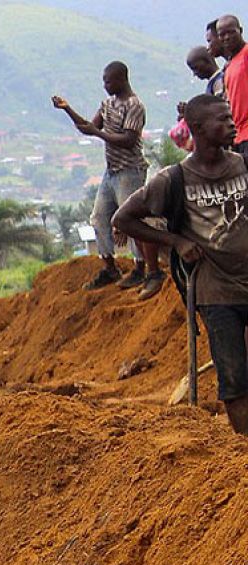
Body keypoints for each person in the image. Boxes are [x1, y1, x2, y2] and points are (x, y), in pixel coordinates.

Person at [115, 94, 248, 436]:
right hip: (215, 292)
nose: (232, 123)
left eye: (231, 116)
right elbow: (123, 218)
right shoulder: (173, 180)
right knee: (233, 378)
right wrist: (176, 241)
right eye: (223, 119)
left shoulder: (243, 165)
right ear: (199, 129)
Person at [51, 63, 163, 298]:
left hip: (130, 171)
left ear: (122, 79)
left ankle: (142, 269)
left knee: (132, 222)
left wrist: (98, 134)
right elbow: (89, 127)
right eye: (103, 81)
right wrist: (67, 109)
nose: (105, 86)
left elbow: (129, 140)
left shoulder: (134, 105)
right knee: (100, 218)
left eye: (109, 81)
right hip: (111, 171)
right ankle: (110, 268)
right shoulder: (108, 104)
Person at [219, 16, 248, 153]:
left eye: (231, 32)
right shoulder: (229, 66)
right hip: (239, 136)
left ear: (240, 31)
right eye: (222, 34)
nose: (226, 37)